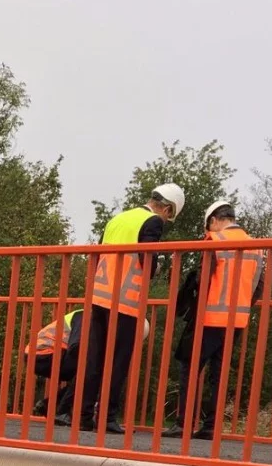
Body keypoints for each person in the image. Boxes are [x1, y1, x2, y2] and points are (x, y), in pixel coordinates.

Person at [68, 184, 185, 433]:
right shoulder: (152, 222)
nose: (165, 220)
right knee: (118, 362)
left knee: (94, 359)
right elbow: (148, 261)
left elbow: (99, 253)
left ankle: (83, 415)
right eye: (168, 215)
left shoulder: (118, 218)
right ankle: (107, 417)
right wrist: (158, 269)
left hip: (99, 297)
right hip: (125, 302)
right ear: (166, 208)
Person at [167, 199, 266, 440]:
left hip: (209, 317)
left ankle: (184, 423)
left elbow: (203, 280)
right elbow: (259, 287)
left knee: (189, 368)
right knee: (219, 374)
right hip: (237, 320)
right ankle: (211, 426)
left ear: (213, 221)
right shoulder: (257, 246)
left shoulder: (215, 241)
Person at [24, 307, 84, 417]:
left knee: (89, 374)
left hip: (38, 355)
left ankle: (48, 405)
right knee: (90, 372)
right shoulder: (84, 316)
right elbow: (75, 345)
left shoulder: (82, 315)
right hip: (44, 355)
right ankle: (63, 411)